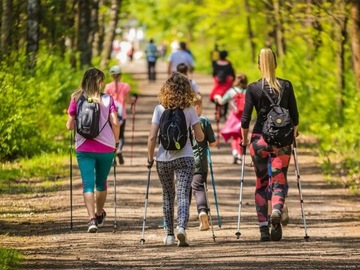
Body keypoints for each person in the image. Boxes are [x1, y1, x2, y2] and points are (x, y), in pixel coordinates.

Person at [241, 48, 299, 242]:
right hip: (282, 140)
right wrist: (293, 135)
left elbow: (245, 118)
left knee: (261, 184)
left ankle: (264, 228)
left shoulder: (253, 88)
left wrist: (243, 139)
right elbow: (295, 116)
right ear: (275, 64)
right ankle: (276, 210)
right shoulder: (287, 86)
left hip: (259, 140)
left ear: (259, 65)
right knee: (279, 181)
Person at [146, 72, 204, 247]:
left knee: (168, 195)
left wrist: (150, 158)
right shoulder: (189, 109)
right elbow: (200, 137)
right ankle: (181, 228)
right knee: (183, 194)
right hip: (185, 157)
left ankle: (169, 235)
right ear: (186, 90)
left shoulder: (159, 109)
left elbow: (152, 137)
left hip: (163, 159)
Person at [66, 68, 120, 233]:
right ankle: (98, 213)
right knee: (101, 183)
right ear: (100, 82)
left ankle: (91, 220)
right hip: (106, 148)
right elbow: (116, 123)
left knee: (87, 184)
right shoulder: (107, 99)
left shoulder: (76, 98)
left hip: (84, 147)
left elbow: (69, 125)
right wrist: (115, 143)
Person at [191, 94, 218, 231]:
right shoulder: (204, 121)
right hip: (200, 162)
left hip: (184, 160)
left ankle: (181, 221)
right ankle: (202, 211)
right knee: (199, 188)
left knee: (184, 190)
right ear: (197, 107)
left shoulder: (183, 120)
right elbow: (213, 143)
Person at [214, 73, 248, 164]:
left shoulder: (231, 91)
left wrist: (217, 97)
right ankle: (240, 154)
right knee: (241, 136)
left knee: (234, 136)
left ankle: (235, 152)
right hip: (244, 117)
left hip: (234, 117)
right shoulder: (248, 91)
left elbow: (222, 101)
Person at [104, 65, 131, 165]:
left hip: (110, 114)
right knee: (121, 135)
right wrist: (133, 100)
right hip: (121, 114)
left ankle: (112, 156)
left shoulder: (107, 87)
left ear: (111, 76)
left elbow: (104, 100)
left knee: (111, 135)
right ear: (120, 75)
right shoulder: (125, 86)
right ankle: (119, 149)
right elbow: (128, 101)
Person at [209, 50, 235, 121]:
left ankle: (217, 112)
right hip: (226, 82)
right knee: (226, 97)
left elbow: (214, 73)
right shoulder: (228, 63)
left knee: (217, 97)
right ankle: (224, 114)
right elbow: (232, 74)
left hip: (218, 81)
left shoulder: (215, 63)